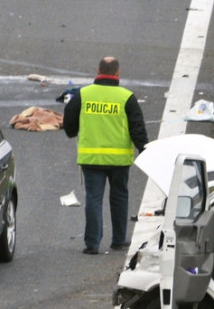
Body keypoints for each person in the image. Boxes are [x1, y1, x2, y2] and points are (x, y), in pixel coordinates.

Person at [62, 56, 149, 254]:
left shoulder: (83, 94)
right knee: (119, 198)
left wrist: (73, 132)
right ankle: (118, 240)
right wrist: (144, 150)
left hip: (91, 158)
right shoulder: (127, 97)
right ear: (117, 73)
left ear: (98, 70)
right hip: (119, 160)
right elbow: (138, 128)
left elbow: (69, 122)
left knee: (93, 199)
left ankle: (92, 244)